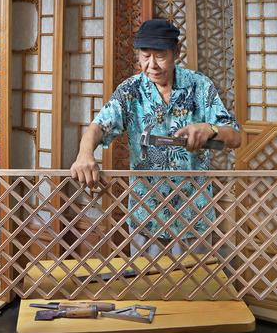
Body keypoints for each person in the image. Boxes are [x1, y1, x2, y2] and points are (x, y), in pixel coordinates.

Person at [70, 19, 241, 257]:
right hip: (145, 215)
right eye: (145, 56)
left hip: (194, 214)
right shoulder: (130, 90)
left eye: (160, 56)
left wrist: (210, 129)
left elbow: (235, 137)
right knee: (146, 289)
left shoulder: (200, 86)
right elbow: (98, 127)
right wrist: (84, 154)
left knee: (194, 288)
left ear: (177, 51)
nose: (151, 65)